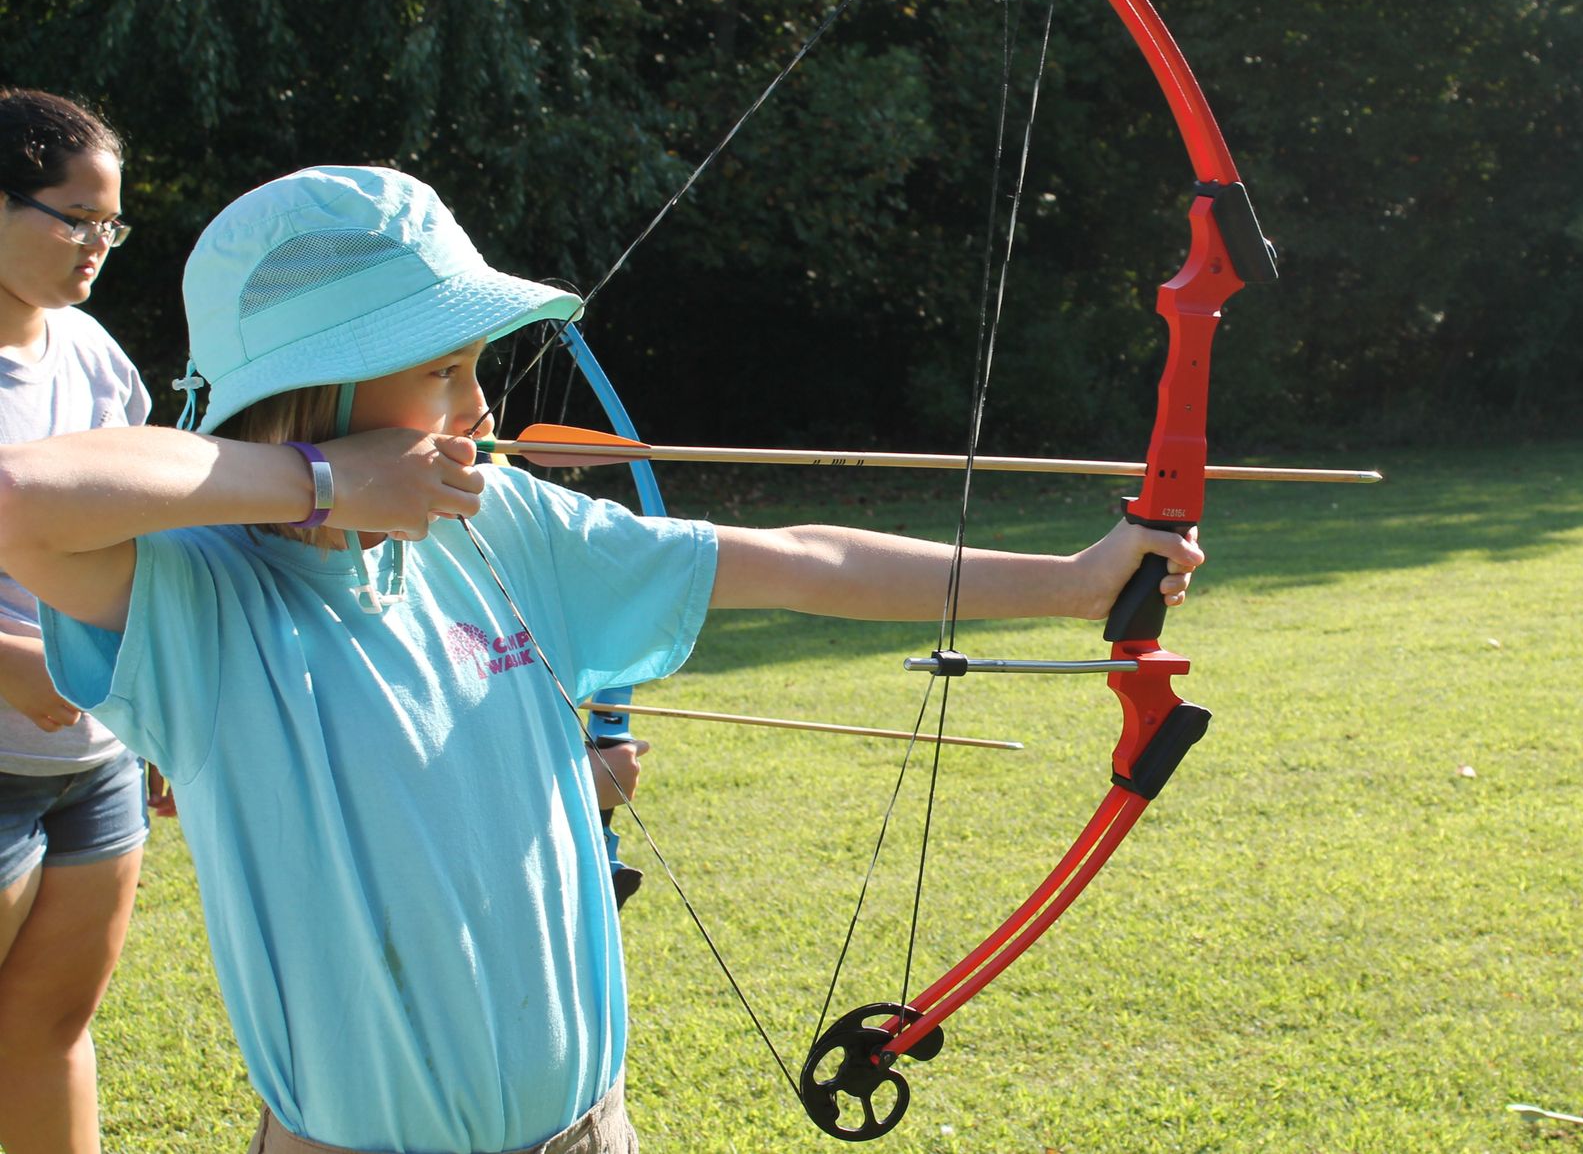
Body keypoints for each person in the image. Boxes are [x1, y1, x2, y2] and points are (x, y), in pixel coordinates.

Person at [0, 165, 1202, 1154]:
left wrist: (1072, 584)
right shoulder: (199, 597)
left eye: (476, 365)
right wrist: (322, 485)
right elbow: (20, 494)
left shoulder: (503, 525)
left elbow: (792, 559)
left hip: (588, 1133)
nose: (480, 407)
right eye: (441, 371)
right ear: (312, 395)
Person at [0, 87, 159, 1154]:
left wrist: (161, 715)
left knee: (50, 1033)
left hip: (94, 768)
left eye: (112, 224)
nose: (97, 244)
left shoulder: (97, 357)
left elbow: (150, 548)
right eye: (75, 218)